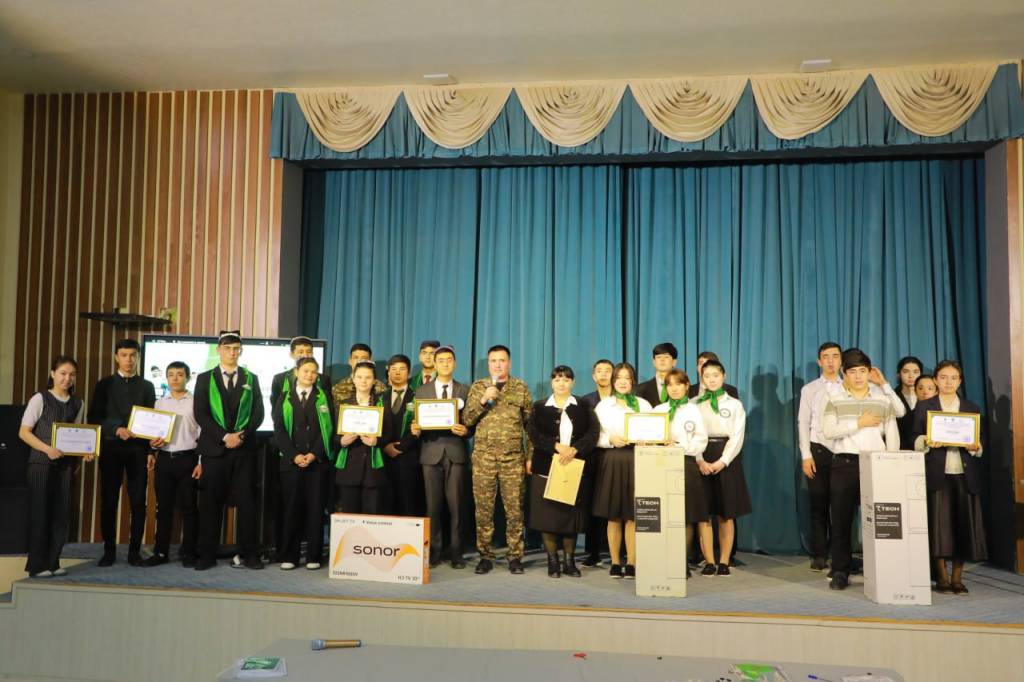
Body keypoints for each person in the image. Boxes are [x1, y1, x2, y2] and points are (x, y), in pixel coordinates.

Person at [821, 348, 900, 590]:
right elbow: (828, 431)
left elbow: (893, 433)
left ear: (869, 372)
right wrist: (859, 423)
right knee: (841, 521)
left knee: (880, 521)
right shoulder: (835, 399)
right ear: (845, 374)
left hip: (876, 463)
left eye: (862, 371)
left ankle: (880, 569)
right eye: (853, 371)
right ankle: (840, 571)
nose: (858, 376)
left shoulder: (881, 399)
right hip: (844, 464)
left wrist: (891, 463)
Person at [192, 331, 265, 570]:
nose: (232, 353)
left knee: (247, 503)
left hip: (244, 451)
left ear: (240, 351)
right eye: (227, 348)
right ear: (219, 350)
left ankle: (249, 554)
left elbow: (258, 413)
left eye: (236, 349)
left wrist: (241, 436)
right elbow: (201, 413)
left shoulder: (251, 378)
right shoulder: (204, 379)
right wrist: (225, 437)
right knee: (210, 504)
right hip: (215, 451)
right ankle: (207, 554)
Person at [913, 360, 987, 594]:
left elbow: (980, 444)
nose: (948, 382)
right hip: (938, 474)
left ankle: (957, 578)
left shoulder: (971, 407)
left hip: (964, 474)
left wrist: (975, 446)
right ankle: (942, 578)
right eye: (943, 377)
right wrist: (926, 440)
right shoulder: (925, 407)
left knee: (962, 525)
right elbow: (914, 439)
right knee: (939, 527)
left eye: (953, 378)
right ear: (936, 380)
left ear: (960, 381)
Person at [462, 345, 534, 575]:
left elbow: (530, 427)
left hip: (513, 460)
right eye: (493, 361)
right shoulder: (478, 387)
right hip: (484, 459)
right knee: (483, 510)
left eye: (502, 360)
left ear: (509, 363)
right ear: (488, 364)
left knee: (515, 511)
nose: (498, 365)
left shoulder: (520, 388)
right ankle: (485, 555)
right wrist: (484, 399)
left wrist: (530, 457)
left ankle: (515, 556)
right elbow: (467, 420)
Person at [19, 356, 91, 578]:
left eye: (72, 375)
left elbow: (78, 435)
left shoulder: (78, 403)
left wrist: (85, 451)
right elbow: (23, 432)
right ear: (52, 374)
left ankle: (53, 562)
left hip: (64, 466)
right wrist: (47, 449)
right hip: (41, 463)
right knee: (40, 513)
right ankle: (37, 566)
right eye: (63, 373)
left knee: (61, 514)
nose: (67, 378)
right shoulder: (40, 398)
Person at [526, 365, 600, 578]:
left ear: (573, 383)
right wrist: (556, 446)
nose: (562, 383)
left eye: (566, 380)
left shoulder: (583, 405)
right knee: (547, 518)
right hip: (546, 469)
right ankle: (553, 561)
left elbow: (593, 432)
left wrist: (575, 450)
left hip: (574, 467)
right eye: (557, 379)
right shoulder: (539, 406)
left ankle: (569, 561)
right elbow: (533, 433)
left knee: (570, 517)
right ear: (552, 382)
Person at [89, 338, 156, 567]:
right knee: (109, 500)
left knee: (138, 502)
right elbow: (94, 417)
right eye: (124, 355)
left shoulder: (147, 386)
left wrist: (151, 451)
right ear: (116, 357)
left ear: (138, 357)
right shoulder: (104, 384)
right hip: (111, 448)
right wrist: (116, 429)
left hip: (138, 450)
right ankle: (109, 551)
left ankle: (134, 552)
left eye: (133, 355)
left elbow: (152, 419)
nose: (129, 360)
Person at [411, 346, 471, 568]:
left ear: (455, 363)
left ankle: (456, 553)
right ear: (434, 364)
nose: (445, 363)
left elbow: (472, 422)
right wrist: (415, 429)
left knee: (457, 506)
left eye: (449, 360)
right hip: (430, 453)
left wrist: (466, 431)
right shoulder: (421, 391)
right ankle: (434, 552)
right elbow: (417, 423)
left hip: (456, 452)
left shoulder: (465, 390)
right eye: (441, 360)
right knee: (432, 506)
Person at [272, 357, 335, 570]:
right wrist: (294, 455)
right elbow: (279, 429)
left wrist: (314, 454)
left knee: (316, 509)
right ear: (296, 372)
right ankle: (289, 555)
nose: (310, 375)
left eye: (314, 372)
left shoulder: (323, 396)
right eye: (306, 371)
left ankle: (313, 556)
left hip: (317, 464)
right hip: (291, 464)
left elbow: (329, 429)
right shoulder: (284, 397)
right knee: (292, 509)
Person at [592, 362, 652, 579]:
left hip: (638, 459)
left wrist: (648, 440)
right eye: (619, 378)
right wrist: (610, 439)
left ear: (633, 381)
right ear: (613, 381)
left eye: (627, 378)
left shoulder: (643, 405)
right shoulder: (604, 406)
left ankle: (632, 562)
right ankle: (616, 562)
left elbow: (655, 431)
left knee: (633, 515)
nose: (623, 382)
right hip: (613, 459)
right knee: (614, 515)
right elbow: (594, 435)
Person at [694, 359, 751, 577]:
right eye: (707, 376)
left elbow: (737, 436)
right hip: (701, 456)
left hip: (727, 459)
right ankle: (709, 561)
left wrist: (722, 461)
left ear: (723, 376)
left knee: (726, 514)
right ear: (702, 379)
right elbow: (691, 433)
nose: (711, 380)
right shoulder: (694, 403)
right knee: (704, 514)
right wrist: (700, 459)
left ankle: (724, 560)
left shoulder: (734, 404)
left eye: (715, 375)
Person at [144, 361, 202, 567]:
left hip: (188, 459)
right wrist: (152, 447)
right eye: (171, 374)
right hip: (164, 460)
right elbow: (153, 433)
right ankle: (161, 553)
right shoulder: (159, 403)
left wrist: (201, 462)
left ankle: (189, 553)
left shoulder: (196, 402)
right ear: (166, 378)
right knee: (164, 509)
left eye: (179, 374)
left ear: (188, 377)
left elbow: (203, 433)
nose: (175, 378)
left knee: (189, 508)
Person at [652, 369, 709, 575]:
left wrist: (680, 447)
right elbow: (648, 435)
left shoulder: (694, 410)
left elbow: (701, 440)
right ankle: (664, 561)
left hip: (686, 463)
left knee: (685, 516)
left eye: (678, 384)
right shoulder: (659, 410)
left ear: (686, 386)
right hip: (660, 464)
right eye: (670, 385)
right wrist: (659, 443)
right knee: (664, 515)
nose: (674, 389)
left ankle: (681, 562)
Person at [797, 342, 843, 572]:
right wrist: (806, 455)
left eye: (835, 356)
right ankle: (819, 554)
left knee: (842, 507)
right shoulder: (810, 389)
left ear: (841, 360)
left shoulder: (849, 386)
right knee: (819, 505)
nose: (831, 361)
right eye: (826, 356)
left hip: (844, 450)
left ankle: (840, 554)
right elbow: (803, 422)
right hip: (818, 450)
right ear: (819, 361)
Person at [333, 361, 391, 514]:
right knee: (349, 517)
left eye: (368, 377)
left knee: (371, 518)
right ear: (353, 379)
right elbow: (332, 436)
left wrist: (376, 441)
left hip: (373, 470)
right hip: (349, 469)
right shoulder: (343, 405)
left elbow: (389, 434)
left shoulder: (382, 404)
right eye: (359, 377)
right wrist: (342, 441)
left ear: (374, 380)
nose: (363, 381)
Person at [579, 358, 614, 567]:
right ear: (593, 376)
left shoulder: (623, 399)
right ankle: (593, 552)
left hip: (616, 456)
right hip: (592, 457)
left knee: (616, 502)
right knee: (592, 503)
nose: (603, 374)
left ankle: (618, 551)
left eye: (607, 371)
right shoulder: (585, 401)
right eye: (599, 371)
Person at [381, 354, 423, 517]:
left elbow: (420, 427)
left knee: (408, 505)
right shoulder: (380, 397)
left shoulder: (418, 397)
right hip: (384, 459)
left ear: (409, 373)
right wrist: (385, 446)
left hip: (409, 459)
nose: (397, 373)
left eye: (402, 369)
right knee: (386, 506)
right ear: (388, 372)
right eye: (393, 369)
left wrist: (400, 447)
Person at [270, 336, 328, 408]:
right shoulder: (279, 379)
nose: (305, 355)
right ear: (291, 354)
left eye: (309, 352)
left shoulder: (323, 380)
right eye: (301, 352)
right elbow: (275, 407)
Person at [893, 356, 924, 449]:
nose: (911, 376)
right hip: (898, 449)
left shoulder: (927, 396)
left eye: (915, 372)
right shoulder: (892, 396)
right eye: (906, 372)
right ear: (898, 374)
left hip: (924, 449)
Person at [636, 342, 678, 407]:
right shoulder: (640, 390)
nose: (662, 360)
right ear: (654, 362)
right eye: (659, 357)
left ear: (674, 362)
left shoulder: (682, 389)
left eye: (666, 357)